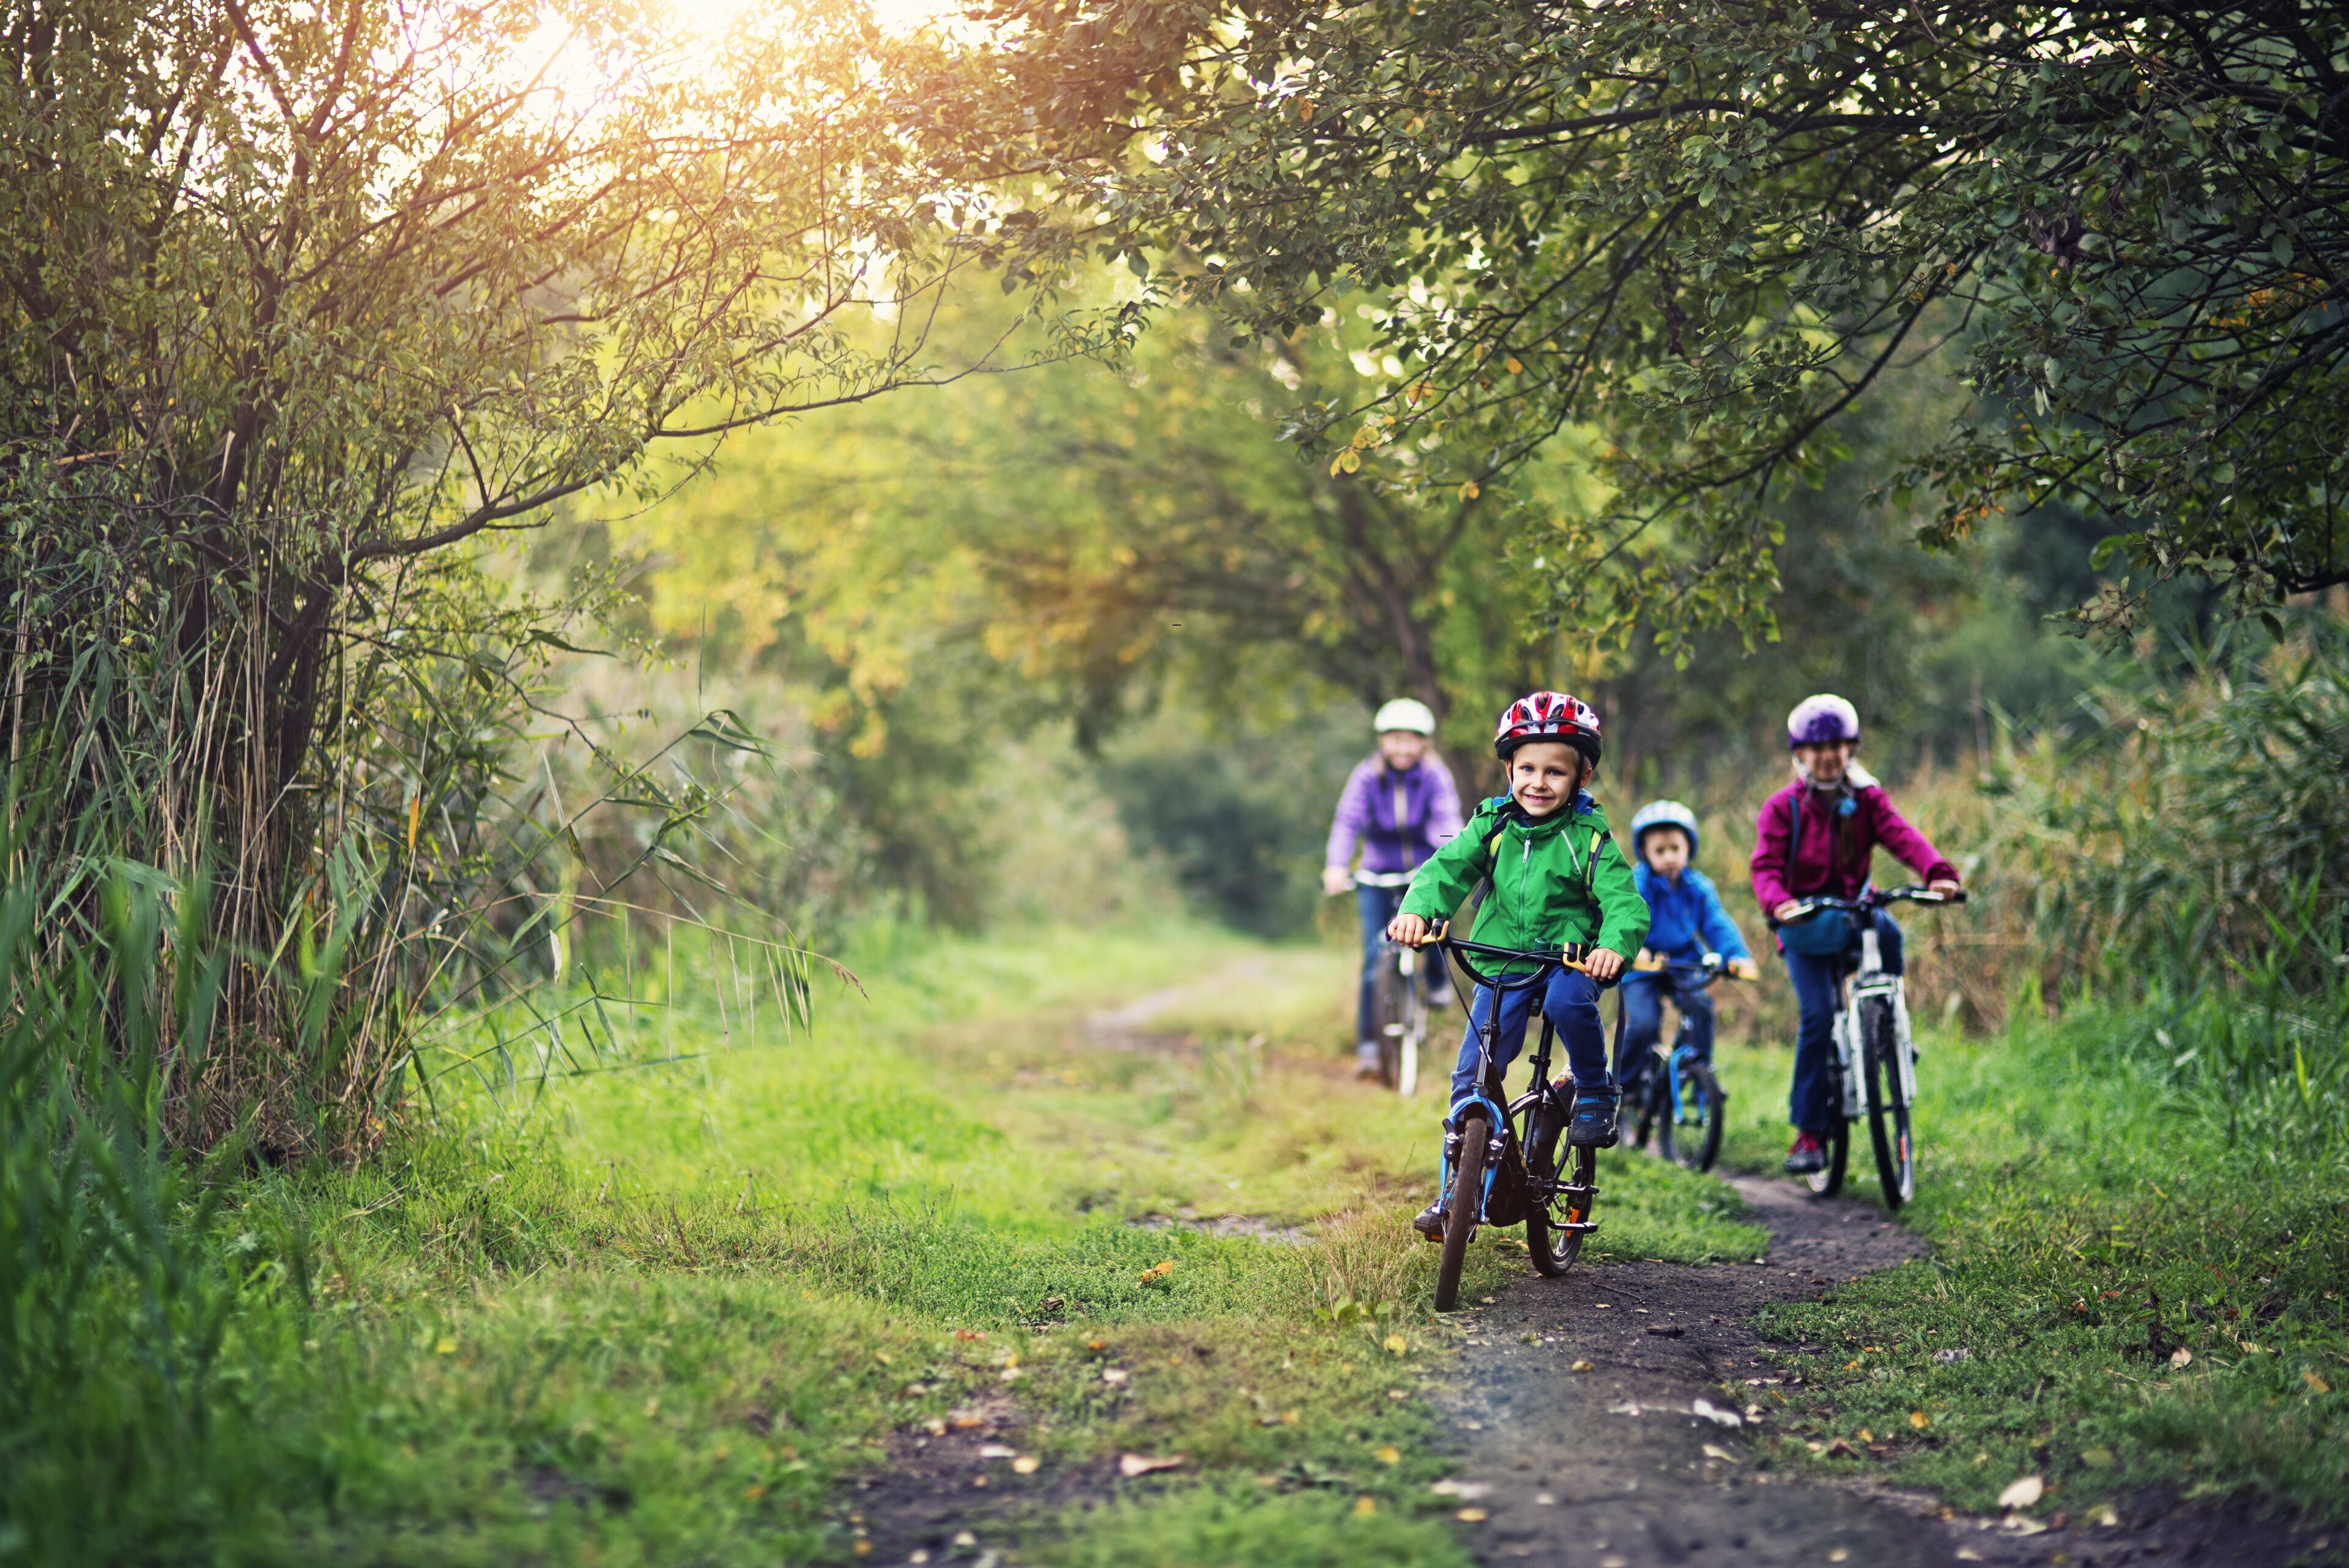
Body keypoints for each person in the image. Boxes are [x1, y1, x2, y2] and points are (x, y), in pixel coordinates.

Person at [1385, 691, 1649, 1241]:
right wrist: (1417, 911)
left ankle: (1595, 1091)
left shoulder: (1589, 838)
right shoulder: (1493, 826)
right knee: (1473, 1074)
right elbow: (1446, 870)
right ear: (1509, 768)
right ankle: (1455, 1191)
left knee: (1567, 1002)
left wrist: (1612, 947)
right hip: (1500, 960)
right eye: (1527, 767)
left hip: (1566, 958)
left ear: (1582, 776)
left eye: (1556, 771)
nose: (1539, 781)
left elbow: (1625, 901)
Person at [1750, 695, 1961, 1176]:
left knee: (1889, 934)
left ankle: (1889, 1025)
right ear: (1799, 753)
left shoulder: (1867, 798)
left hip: (1854, 910)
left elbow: (1902, 835)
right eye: (1817, 746)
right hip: (1804, 923)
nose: (1828, 755)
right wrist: (1779, 902)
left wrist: (1937, 871)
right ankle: (1808, 1130)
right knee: (1818, 1016)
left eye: (1838, 745)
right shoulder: (1782, 807)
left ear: (1852, 748)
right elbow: (1764, 866)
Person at [1323, 698, 1463, 1077]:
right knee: (1374, 958)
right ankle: (1368, 1047)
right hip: (1376, 873)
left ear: (1424, 743)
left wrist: (1450, 852)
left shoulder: (1435, 776)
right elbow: (1347, 821)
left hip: (1422, 869)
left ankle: (1436, 980)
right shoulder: (1367, 776)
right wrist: (1337, 865)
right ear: (1382, 741)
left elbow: (1448, 818)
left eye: (1410, 740)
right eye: (1394, 739)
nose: (1402, 748)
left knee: (1435, 928)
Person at [1618, 801, 1761, 1096]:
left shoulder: (1698, 887)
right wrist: (1633, 950)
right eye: (1660, 851)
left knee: (1700, 1006)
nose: (1669, 857)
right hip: (1642, 965)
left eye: (1675, 849)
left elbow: (1717, 924)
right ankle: (1625, 1088)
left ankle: (1699, 1074)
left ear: (1688, 849)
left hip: (1684, 961)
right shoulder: (1636, 884)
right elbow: (1623, 921)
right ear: (1645, 853)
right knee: (1644, 1024)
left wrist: (1736, 956)